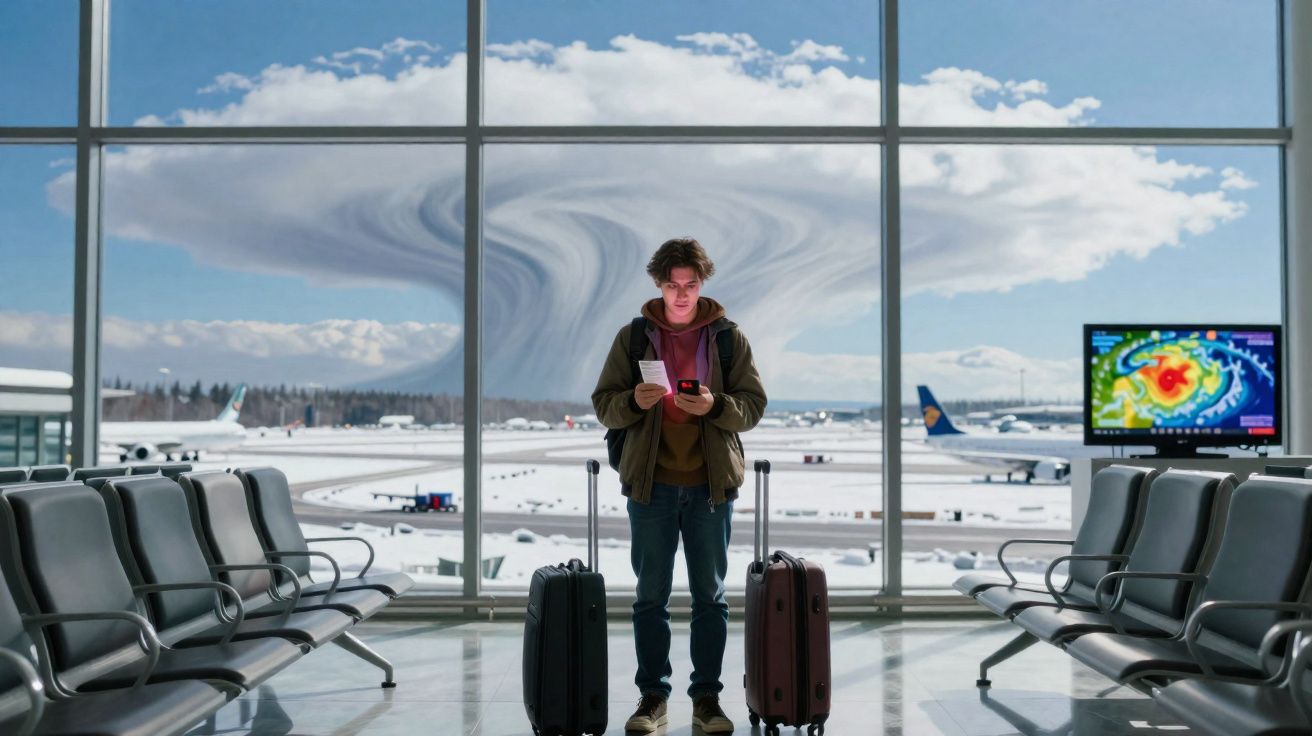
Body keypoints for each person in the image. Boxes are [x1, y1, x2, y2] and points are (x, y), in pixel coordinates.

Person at [592, 237, 767, 734]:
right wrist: (634, 401)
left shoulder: (729, 338)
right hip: (652, 487)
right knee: (651, 598)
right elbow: (604, 405)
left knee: (710, 598)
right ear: (659, 285)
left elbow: (753, 407)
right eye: (673, 285)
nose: (682, 294)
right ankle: (653, 698)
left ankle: (707, 699)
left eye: (690, 284)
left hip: (711, 488)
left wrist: (715, 405)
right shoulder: (633, 337)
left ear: (702, 283)